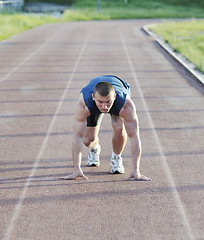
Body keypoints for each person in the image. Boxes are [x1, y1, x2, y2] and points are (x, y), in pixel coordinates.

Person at [62, 75, 151, 181]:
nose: (104, 107)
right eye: (100, 102)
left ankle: (116, 158)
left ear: (114, 96)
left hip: (118, 95)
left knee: (119, 128)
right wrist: (76, 169)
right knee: (88, 140)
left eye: (108, 102)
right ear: (93, 97)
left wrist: (136, 169)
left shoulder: (126, 105)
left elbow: (134, 137)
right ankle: (95, 149)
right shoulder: (84, 105)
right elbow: (77, 136)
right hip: (94, 102)